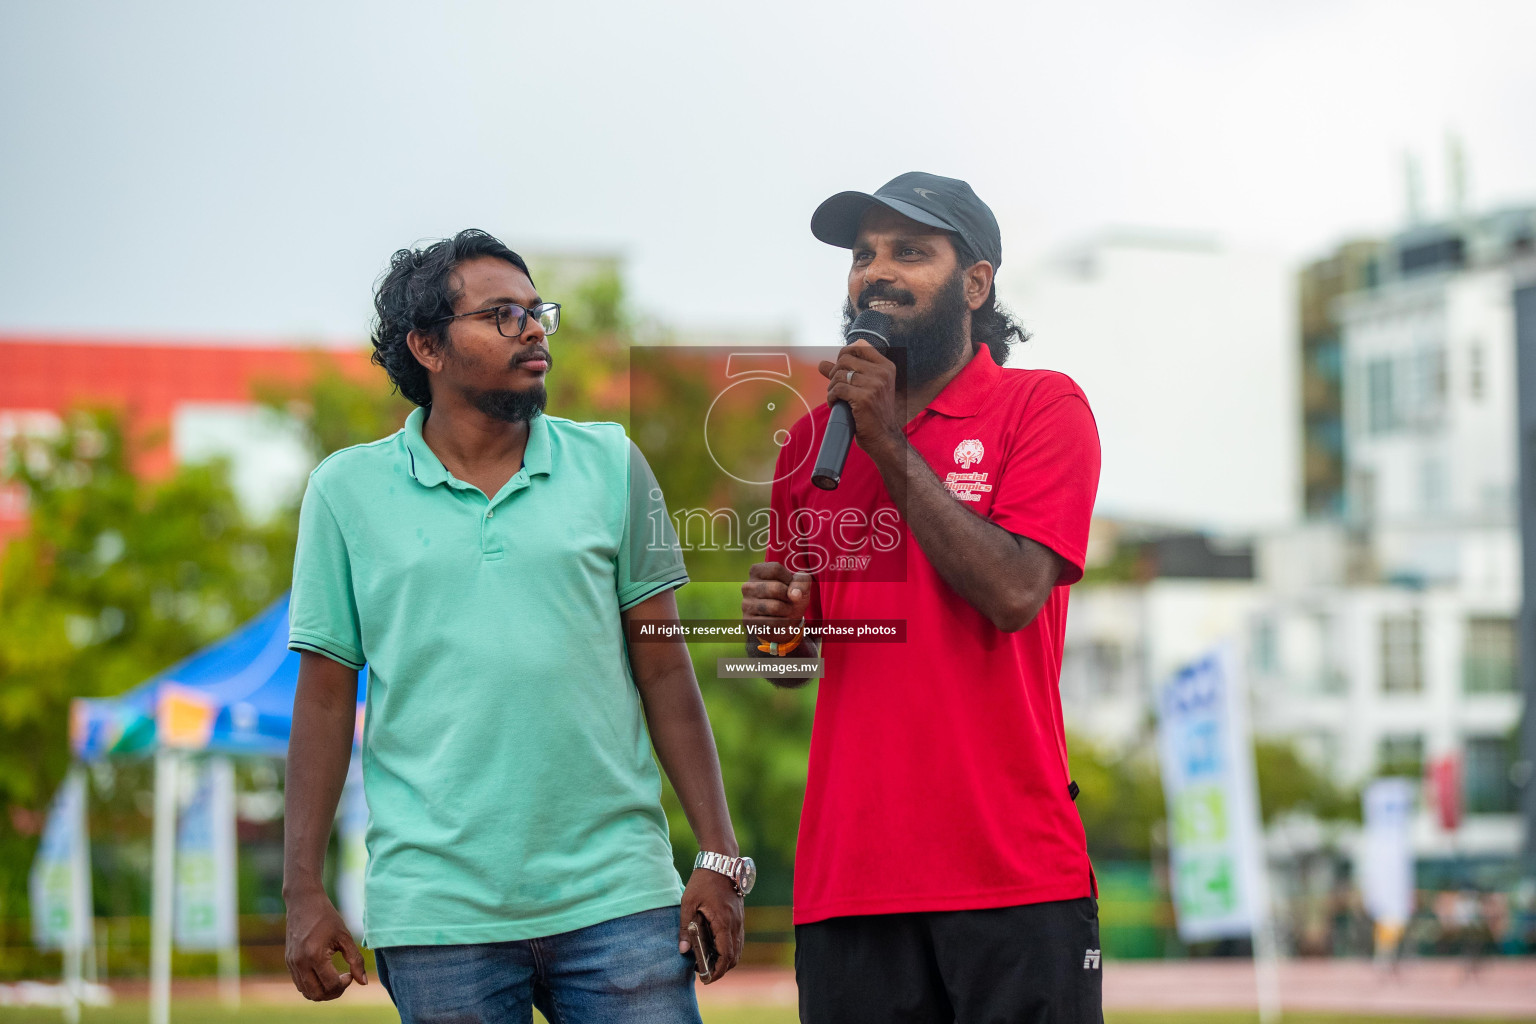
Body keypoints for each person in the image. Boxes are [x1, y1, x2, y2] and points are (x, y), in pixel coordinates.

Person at [283, 229, 755, 1023]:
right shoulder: (344, 492)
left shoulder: (611, 464)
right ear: (427, 346)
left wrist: (718, 853)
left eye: (538, 311)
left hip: (620, 898)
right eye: (502, 315)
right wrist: (302, 890)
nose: (534, 329)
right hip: (438, 909)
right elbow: (325, 702)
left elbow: (666, 671)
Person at [740, 174, 1103, 1022]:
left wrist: (890, 445)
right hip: (849, 886)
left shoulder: (1042, 408)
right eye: (864, 255)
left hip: (1012, 875)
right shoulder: (808, 444)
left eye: (911, 251)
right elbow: (788, 669)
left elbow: (1014, 591)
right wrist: (777, 634)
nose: (876, 272)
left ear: (976, 284)